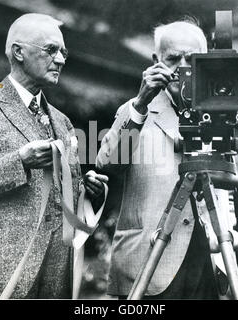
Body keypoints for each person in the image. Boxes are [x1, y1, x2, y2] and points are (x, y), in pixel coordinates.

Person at [0, 13, 107, 299]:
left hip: (55, 279)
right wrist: (19, 161)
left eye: (64, 52)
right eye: (51, 50)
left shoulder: (63, 122)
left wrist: (89, 191)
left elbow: (64, 197)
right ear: (19, 52)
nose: (61, 60)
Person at [96, 17, 219, 299]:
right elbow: (109, 164)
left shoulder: (219, 113)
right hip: (149, 262)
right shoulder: (135, 110)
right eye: (174, 59)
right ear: (156, 61)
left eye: (192, 58)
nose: (183, 67)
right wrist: (140, 106)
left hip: (208, 258)